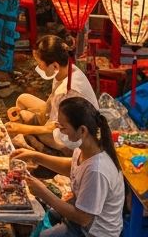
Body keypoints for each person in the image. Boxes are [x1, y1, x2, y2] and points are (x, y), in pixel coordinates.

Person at [13, 96, 125, 237]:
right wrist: (35, 156)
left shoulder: (97, 170)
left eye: (63, 127)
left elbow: (83, 218)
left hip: (92, 232)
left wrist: (44, 193)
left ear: (82, 131)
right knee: (48, 217)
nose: (60, 131)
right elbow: (71, 167)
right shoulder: (85, 147)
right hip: (81, 220)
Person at [7, 35, 99, 151]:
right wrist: (26, 116)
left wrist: (22, 128)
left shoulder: (66, 90)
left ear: (55, 65)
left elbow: (55, 127)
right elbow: (50, 106)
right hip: (59, 117)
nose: (38, 67)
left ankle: (31, 143)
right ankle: (23, 131)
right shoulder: (68, 68)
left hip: (74, 136)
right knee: (23, 99)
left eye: (40, 64)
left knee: (30, 128)